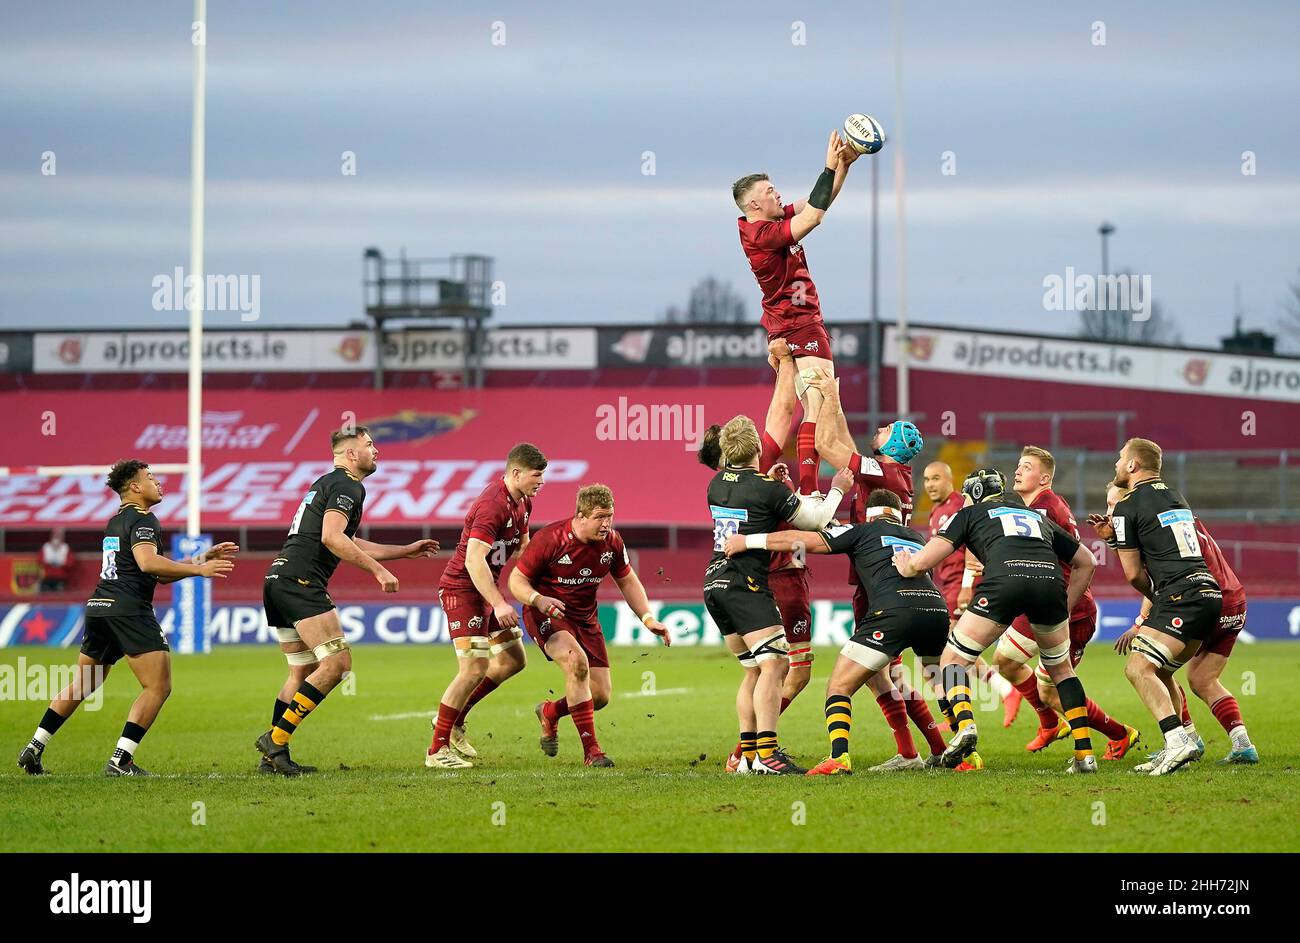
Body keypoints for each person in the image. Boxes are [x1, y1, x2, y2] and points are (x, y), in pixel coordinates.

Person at [17, 460, 236, 777]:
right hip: (128, 609)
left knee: (83, 684)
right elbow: (148, 564)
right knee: (158, 687)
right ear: (135, 487)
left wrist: (201, 558)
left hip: (100, 606)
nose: (158, 483)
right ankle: (121, 761)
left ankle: (34, 747)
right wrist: (199, 570)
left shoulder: (117, 520)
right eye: (150, 478)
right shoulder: (145, 519)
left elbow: (155, 571)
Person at [726, 489, 949, 775]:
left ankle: (838, 757)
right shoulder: (918, 538)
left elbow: (804, 541)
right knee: (915, 680)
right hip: (934, 609)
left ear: (867, 511)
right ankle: (948, 745)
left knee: (840, 686)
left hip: (889, 612)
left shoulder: (863, 530)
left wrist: (749, 540)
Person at [894, 468, 1101, 774]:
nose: (963, 501)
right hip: (1049, 586)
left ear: (974, 494)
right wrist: (1065, 605)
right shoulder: (1035, 516)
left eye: (965, 495)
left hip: (1004, 582)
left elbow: (922, 562)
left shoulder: (970, 514)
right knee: (1061, 670)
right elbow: (1087, 561)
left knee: (952, 659)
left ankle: (965, 727)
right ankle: (1085, 755)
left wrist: (906, 564)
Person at [258, 426, 436, 775]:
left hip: (278, 579)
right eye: (370, 445)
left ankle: (275, 757)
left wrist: (402, 552)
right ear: (352, 454)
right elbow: (332, 538)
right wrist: (378, 572)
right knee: (338, 664)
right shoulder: (347, 485)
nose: (376, 451)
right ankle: (275, 740)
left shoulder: (327, 483)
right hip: (301, 581)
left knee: (302, 672)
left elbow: (348, 539)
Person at [704, 414, 851, 774]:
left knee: (753, 671)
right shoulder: (765, 488)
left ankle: (749, 757)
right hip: (746, 584)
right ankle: (767, 755)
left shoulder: (717, 483)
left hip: (713, 583)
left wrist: (772, 487)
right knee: (776, 664)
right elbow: (815, 521)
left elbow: (751, 501)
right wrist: (839, 488)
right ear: (756, 448)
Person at [1087, 441, 1230, 776]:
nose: (1116, 463)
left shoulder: (1128, 505)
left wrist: (1157, 593)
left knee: (1137, 668)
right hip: (1208, 593)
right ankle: (1186, 742)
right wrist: (1113, 537)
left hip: (1181, 595)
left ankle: (1176, 740)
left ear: (1134, 465)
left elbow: (1134, 573)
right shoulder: (1175, 495)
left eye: (1120, 458)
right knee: (1162, 671)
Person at [733, 130, 861, 495]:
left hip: (783, 326)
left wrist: (841, 167)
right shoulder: (763, 234)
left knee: (794, 410)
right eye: (769, 191)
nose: (777, 193)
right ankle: (810, 490)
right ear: (753, 205)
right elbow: (814, 218)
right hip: (801, 324)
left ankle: (774, 483)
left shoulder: (764, 224)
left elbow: (816, 202)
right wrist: (826, 165)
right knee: (818, 409)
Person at [993, 446, 1140, 759]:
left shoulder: (1045, 508)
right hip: (1044, 603)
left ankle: (1118, 733)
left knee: (1048, 688)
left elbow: (1079, 562)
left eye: (1027, 467)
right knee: (1007, 662)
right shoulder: (1041, 506)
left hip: (1067, 611)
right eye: (1018, 465)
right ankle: (1052, 723)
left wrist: (1064, 608)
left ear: (1044, 478)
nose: (1018, 471)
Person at [509, 484, 670, 767]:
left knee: (600, 695)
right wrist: (538, 600)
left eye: (610, 516)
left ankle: (550, 712)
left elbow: (627, 580)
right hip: (547, 614)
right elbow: (516, 582)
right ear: (581, 516)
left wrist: (647, 618)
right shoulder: (550, 539)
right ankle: (592, 752)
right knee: (577, 663)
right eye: (599, 517)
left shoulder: (612, 543)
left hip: (585, 618)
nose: (606, 523)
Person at [427, 443, 546, 768]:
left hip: (486, 590)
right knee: (474, 667)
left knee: (512, 659)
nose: (542, 481)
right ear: (516, 473)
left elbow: (523, 549)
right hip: (462, 589)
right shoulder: (493, 505)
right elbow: (473, 560)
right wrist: (498, 602)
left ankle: (452, 722)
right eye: (537, 475)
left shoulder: (524, 503)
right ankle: (437, 750)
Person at [39, 528, 73, 592]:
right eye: (55, 535)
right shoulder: (46, 547)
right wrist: (49, 563)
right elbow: (40, 561)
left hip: (61, 578)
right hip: (47, 577)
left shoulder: (65, 547)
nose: (57, 537)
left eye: (59, 535)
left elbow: (70, 563)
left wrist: (61, 564)